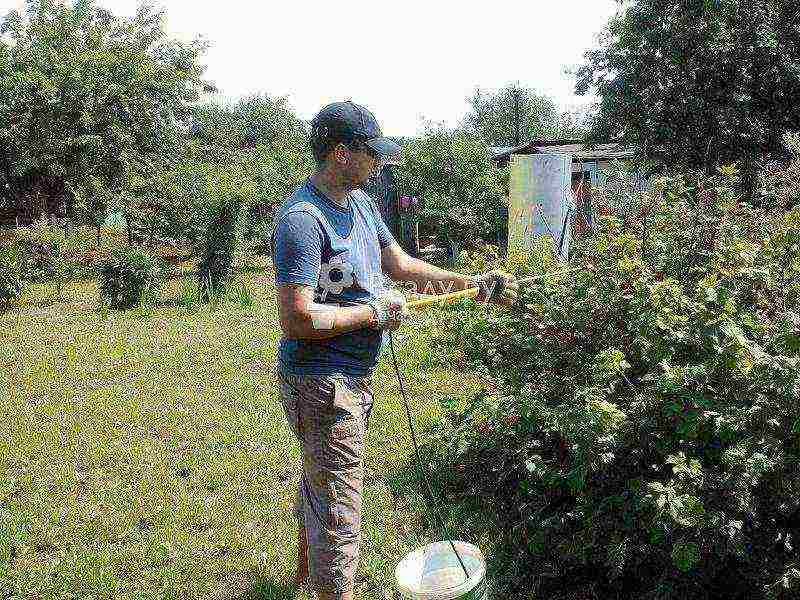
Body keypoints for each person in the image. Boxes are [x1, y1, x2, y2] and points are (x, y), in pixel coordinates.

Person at [271, 100, 518, 600]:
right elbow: (296, 321)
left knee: (322, 484)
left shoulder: (361, 204)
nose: (379, 161)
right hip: (322, 382)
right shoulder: (302, 220)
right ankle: (331, 590)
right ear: (340, 153)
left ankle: (301, 580)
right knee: (340, 508)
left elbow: (399, 264)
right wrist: (372, 313)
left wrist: (471, 281)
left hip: (352, 375)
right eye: (370, 152)